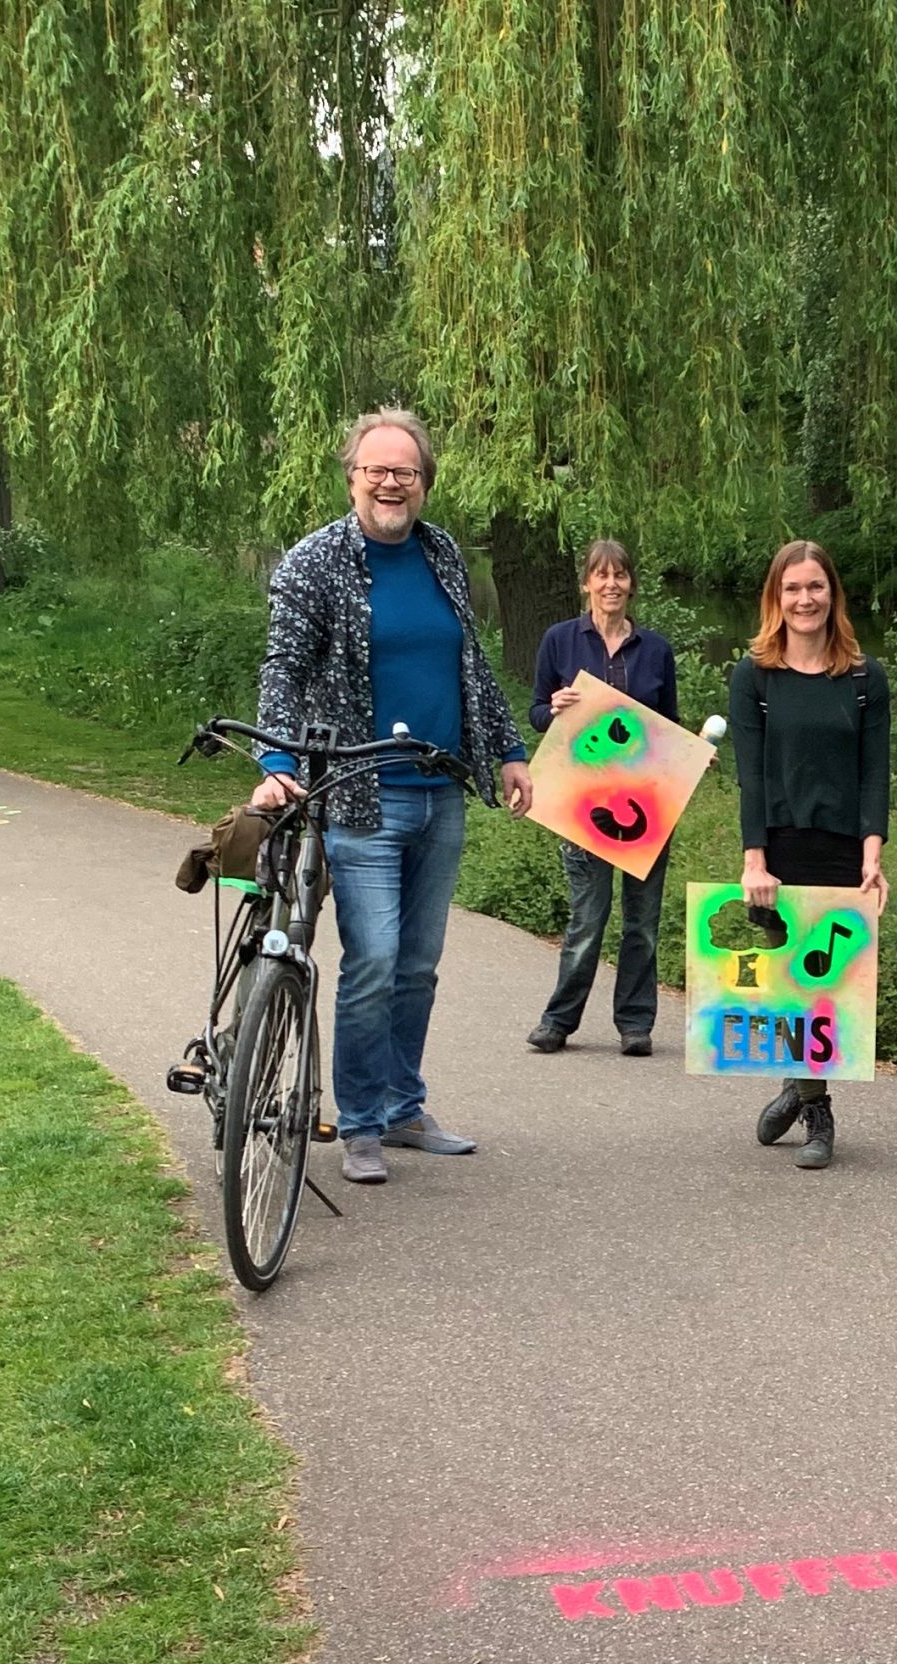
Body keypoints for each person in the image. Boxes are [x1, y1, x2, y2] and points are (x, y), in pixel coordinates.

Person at [249, 407, 533, 1185]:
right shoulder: (314, 563)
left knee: (419, 964)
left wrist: (507, 750)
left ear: (423, 482)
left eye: (404, 471)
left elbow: (469, 664)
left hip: (439, 791)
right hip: (361, 794)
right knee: (372, 958)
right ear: (352, 477)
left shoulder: (442, 554)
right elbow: (282, 669)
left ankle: (406, 1106)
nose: (389, 482)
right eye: (375, 468)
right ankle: (363, 1121)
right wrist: (275, 758)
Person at [728, 539, 890, 1170]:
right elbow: (751, 777)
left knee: (826, 985)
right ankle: (803, 1090)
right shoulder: (755, 675)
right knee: (787, 984)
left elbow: (875, 771)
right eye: (792, 588)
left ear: (832, 595)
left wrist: (873, 855)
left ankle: (815, 1108)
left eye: (815, 587)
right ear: (777, 597)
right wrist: (753, 860)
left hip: (843, 848)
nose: (805, 599)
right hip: (780, 845)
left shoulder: (862, 676)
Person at [525, 538, 680, 1056]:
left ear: (631, 583)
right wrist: (555, 707)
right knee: (587, 920)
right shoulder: (560, 640)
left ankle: (635, 1025)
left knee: (643, 923)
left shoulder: (656, 650)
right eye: (601, 575)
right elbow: (537, 715)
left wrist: (692, 754)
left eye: (620, 575)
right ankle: (559, 1020)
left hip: (646, 806)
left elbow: (669, 728)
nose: (611, 584)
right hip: (584, 803)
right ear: (586, 583)